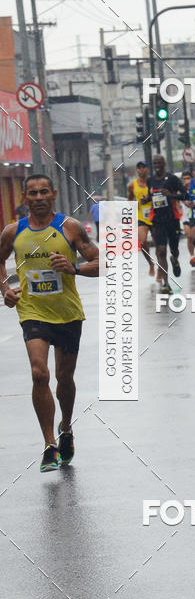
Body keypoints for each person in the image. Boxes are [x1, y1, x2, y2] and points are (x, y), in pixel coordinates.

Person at [0, 174, 99, 471]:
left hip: (68, 313)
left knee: (64, 379)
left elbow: (102, 263)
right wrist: (5, 289)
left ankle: (66, 427)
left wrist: (74, 268)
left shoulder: (70, 227)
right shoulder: (12, 232)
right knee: (38, 373)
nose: (39, 197)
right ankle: (49, 445)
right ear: (25, 199)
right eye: (33, 193)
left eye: (44, 192)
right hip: (33, 312)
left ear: (54, 194)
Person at [143, 155, 185, 294]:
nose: (157, 165)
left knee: (173, 249)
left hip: (172, 219)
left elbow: (185, 195)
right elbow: (152, 196)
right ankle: (166, 284)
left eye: (159, 162)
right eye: (155, 163)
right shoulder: (151, 180)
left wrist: (171, 195)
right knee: (161, 251)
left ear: (164, 163)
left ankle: (175, 259)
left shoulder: (172, 179)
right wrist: (147, 199)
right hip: (157, 221)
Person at [128, 160, 155, 278]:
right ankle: (151, 263)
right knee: (142, 242)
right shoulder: (132, 185)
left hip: (155, 216)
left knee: (159, 244)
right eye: (139, 168)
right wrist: (133, 203)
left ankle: (161, 269)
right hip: (141, 217)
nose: (141, 170)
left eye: (143, 167)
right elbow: (129, 200)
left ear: (147, 169)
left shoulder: (153, 182)